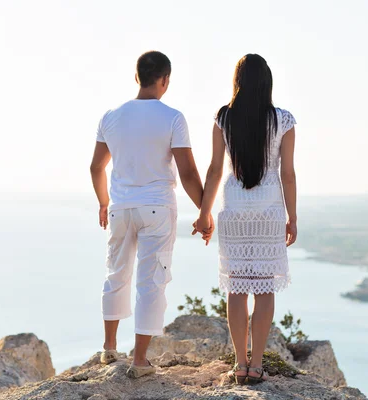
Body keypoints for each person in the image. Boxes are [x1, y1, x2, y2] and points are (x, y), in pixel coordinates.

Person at [90, 51, 212, 379]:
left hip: (119, 208)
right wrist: (204, 211)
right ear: (165, 80)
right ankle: (140, 361)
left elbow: (96, 166)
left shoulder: (111, 116)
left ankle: (109, 347)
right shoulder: (172, 117)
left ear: (136, 77)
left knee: (116, 273)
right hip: (157, 207)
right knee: (151, 282)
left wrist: (104, 201)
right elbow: (187, 171)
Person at [194, 54, 297, 384]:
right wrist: (292, 217)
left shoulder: (223, 118)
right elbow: (289, 174)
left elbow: (213, 170)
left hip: (234, 208)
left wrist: (204, 212)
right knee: (265, 289)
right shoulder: (283, 120)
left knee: (236, 288)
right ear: (267, 82)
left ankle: (240, 364)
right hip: (268, 208)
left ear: (237, 82)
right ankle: (257, 365)